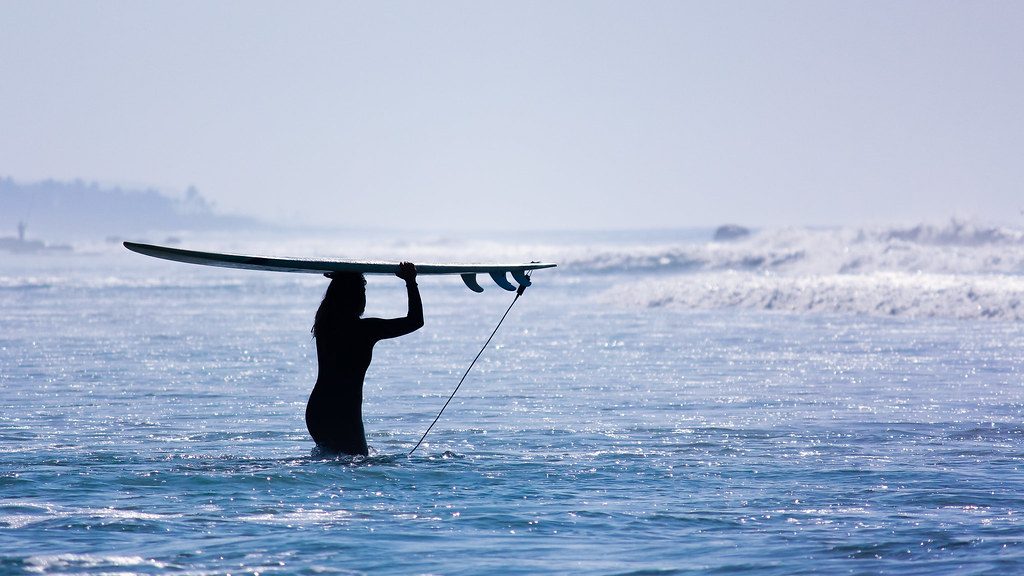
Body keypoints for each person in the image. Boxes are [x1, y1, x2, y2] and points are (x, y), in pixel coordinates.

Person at [306, 262, 423, 455]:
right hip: (343, 413)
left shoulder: (325, 325)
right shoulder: (365, 330)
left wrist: (343, 278)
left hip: (318, 411)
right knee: (356, 464)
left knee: (331, 461)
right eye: (363, 290)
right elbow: (416, 320)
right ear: (357, 297)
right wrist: (411, 282)